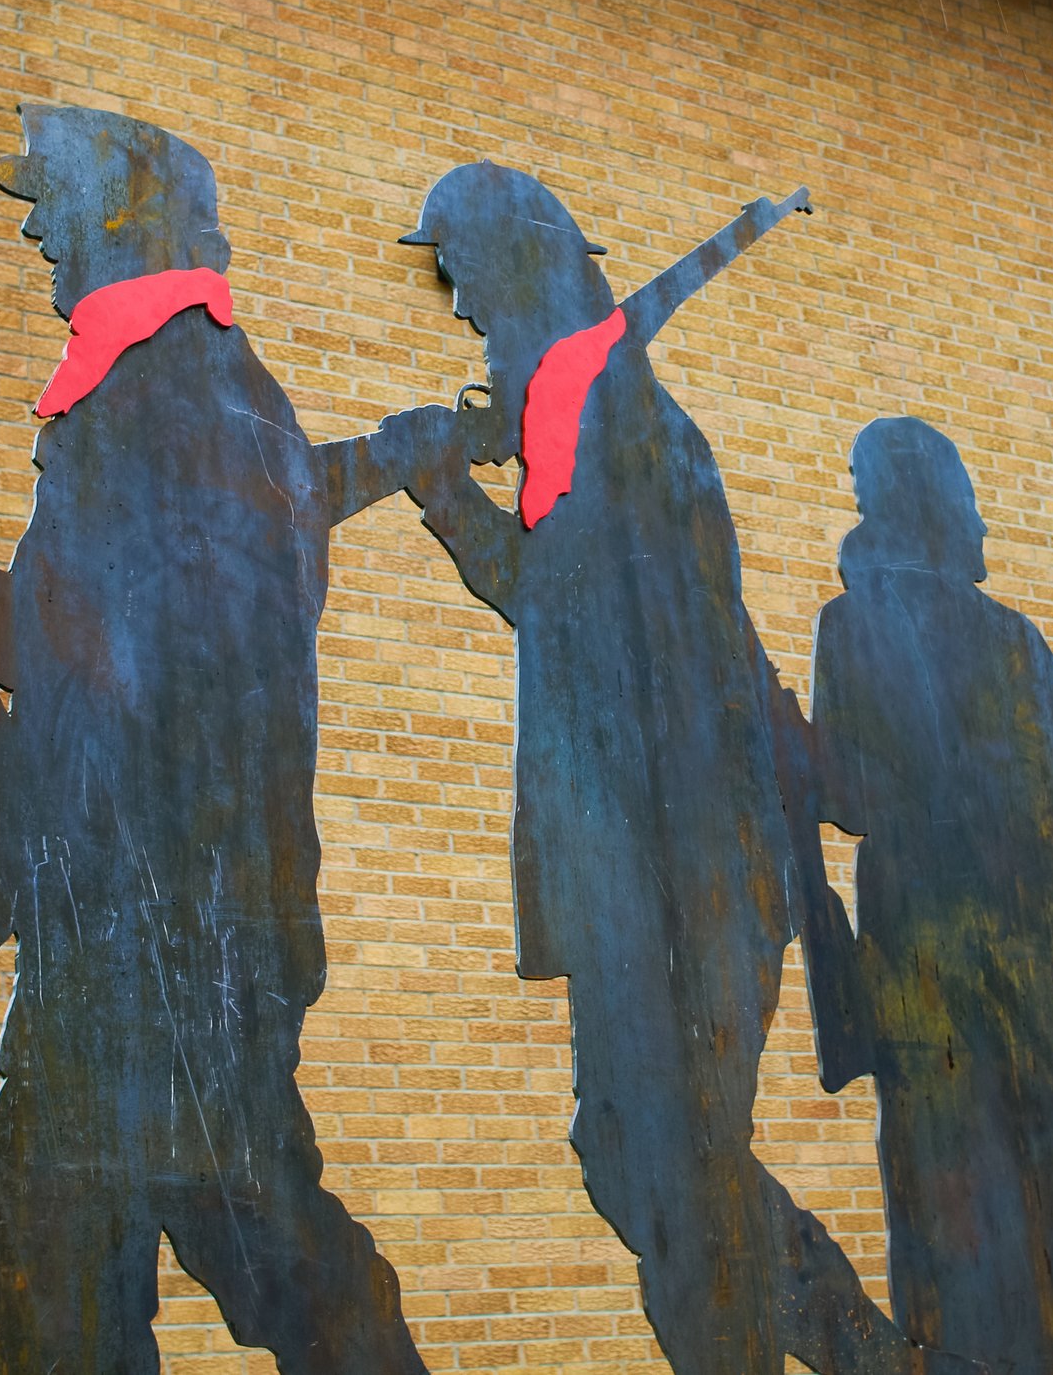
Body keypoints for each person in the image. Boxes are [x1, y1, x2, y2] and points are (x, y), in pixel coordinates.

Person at [0, 105, 437, 1375]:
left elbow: (147, 668)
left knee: (241, 1258)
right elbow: (97, 637)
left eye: (48, 196)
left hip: (171, 938)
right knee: (67, 1275)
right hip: (111, 931)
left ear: (119, 216)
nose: (32, 225)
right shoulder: (140, 397)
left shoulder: (186, 401)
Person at [394, 163, 964, 1375]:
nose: (465, 321)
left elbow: (578, 616)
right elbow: (575, 614)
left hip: (689, 861)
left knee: (665, 1163)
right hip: (647, 865)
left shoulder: (622, 424)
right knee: (645, 1155)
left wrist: (449, 494)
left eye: (476, 292)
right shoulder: (583, 421)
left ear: (532, 276)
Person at [776, 417, 1053, 1375]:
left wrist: (789, 736)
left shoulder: (850, 624)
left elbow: (849, 796)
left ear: (886, 504)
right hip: (1052, 973)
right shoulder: (1014, 640)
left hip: (929, 977)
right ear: (949, 505)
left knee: (957, 1241)